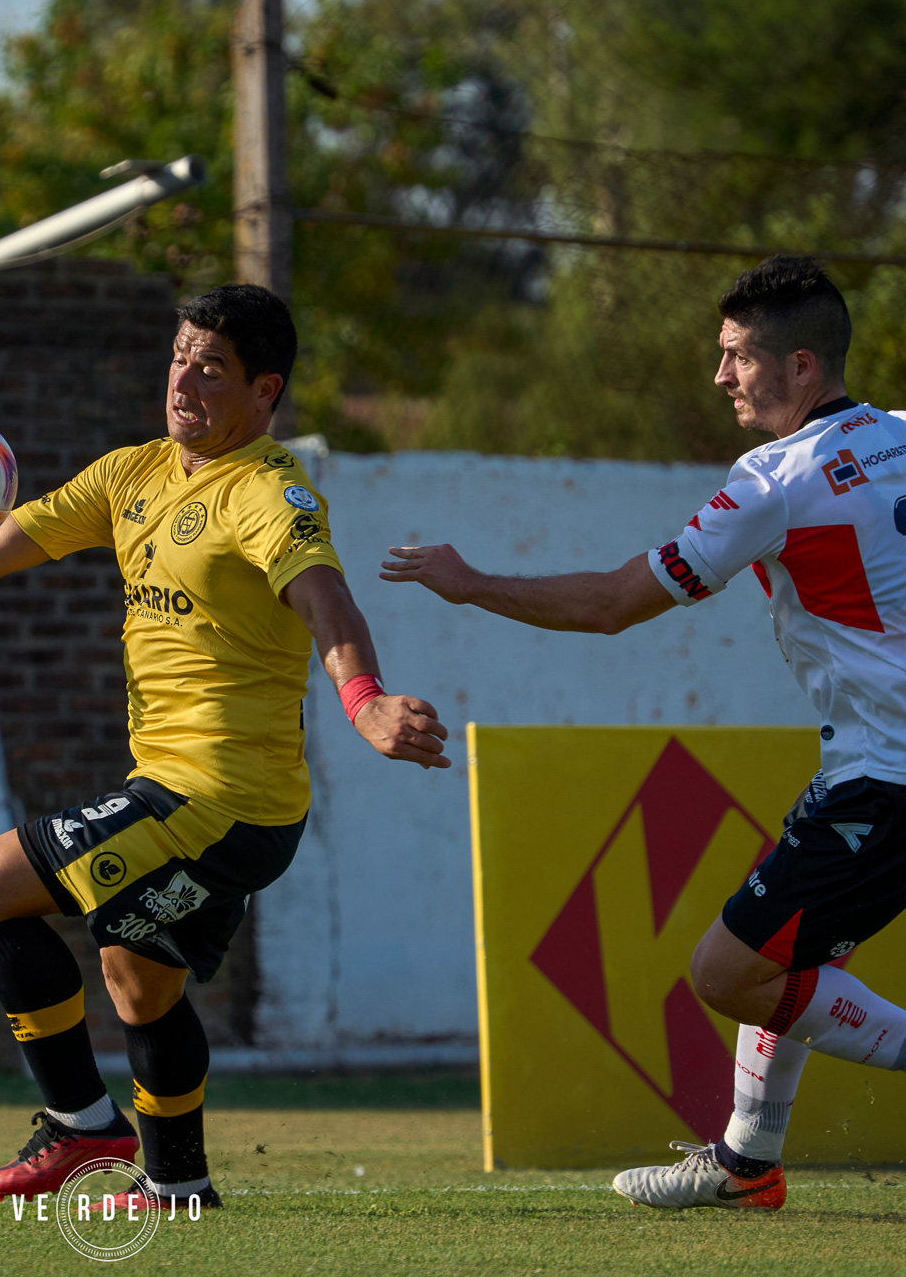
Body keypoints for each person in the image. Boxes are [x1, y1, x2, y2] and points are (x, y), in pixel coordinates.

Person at [0, 283, 449, 1211]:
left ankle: (81, 1127)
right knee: (137, 977)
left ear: (265, 390)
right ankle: (177, 1186)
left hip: (220, 798)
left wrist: (363, 705)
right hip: (205, 801)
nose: (186, 381)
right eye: (180, 357)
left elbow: (327, 602)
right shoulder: (131, 476)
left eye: (214, 369)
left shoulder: (272, 493)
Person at [381, 255, 906, 1211]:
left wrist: (476, 583)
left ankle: (749, 1163)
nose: (720, 377)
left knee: (730, 972)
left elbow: (618, 602)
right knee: (793, 956)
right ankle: (748, 1164)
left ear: (800, 367)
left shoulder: (776, 482)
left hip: (885, 780)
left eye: (737, 356)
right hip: (868, 770)